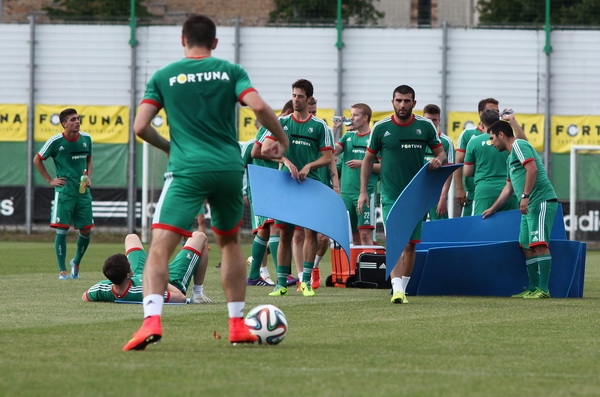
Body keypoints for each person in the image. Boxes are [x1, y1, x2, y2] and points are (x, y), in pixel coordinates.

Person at [123, 14, 288, 350]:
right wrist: (281, 140)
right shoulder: (231, 72)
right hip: (229, 168)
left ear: (183, 40)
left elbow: (140, 127)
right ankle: (238, 325)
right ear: (215, 43)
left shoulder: (164, 76)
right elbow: (259, 106)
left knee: (159, 247)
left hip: (187, 169)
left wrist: (171, 147)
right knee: (229, 244)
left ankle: (151, 321)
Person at [358, 85, 446, 304]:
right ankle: (396, 289)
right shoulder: (381, 128)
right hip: (389, 194)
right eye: (398, 101)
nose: (402, 105)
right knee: (396, 239)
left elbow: (441, 152)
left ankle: (403, 287)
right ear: (392, 102)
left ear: (414, 103)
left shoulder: (425, 126)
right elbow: (368, 159)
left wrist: (438, 160)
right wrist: (363, 192)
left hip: (416, 194)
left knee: (411, 244)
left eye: (407, 101)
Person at [261, 78, 334, 297]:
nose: (295, 99)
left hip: (311, 185)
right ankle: (281, 283)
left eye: (300, 96)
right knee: (285, 233)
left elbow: (328, 156)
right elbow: (265, 149)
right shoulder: (282, 122)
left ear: (309, 98)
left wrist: (309, 165)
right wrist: (285, 161)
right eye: (293, 95)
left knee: (310, 232)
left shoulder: (320, 126)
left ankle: (306, 282)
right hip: (286, 185)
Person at [483, 120, 558, 298]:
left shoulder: (518, 144)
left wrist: (525, 196)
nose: (492, 143)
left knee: (539, 244)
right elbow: (508, 188)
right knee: (526, 246)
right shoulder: (510, 158)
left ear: (501, 135)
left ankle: (544, 289)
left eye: (492, 138)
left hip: (540, 201)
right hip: (528, 205)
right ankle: (532, 289)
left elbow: (532, 168)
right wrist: (493, 208)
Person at [33, 108, 93, 280]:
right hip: (65, 192)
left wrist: (88, 177)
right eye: (73, 119)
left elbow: (89, 159)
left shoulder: (86, 138)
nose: (77, 121)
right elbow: (37, 159)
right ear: (64, 123)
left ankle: (77, 262)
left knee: (86, 230)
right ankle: (62, 271)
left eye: (78, 118)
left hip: (82, 192)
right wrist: (50, 180)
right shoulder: (56, 141)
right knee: (62, 230)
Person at [83, 232, 212, 304]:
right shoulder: (143, 290)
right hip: (168, 281)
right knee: (200, 237)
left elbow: (85, 296)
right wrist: (160, 280)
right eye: (129, 265)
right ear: (128, 274)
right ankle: (198, 293)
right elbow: (180, 298)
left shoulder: (103, 287)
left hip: (142, 273)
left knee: (131, 237)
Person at [454, 98, 525, 217]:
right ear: (480, 113)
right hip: (505, 190)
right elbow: (523, 144)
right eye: (491, 111)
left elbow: (467, 171)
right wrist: (459, 188)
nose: (496, 113)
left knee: (480, 228)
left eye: (497, 110)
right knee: (507, 229)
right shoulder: (506, 138)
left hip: (485, 190)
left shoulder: (477, 141)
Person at [335, 103, 380, 245]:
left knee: (365, 234)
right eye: (351, 115)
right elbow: (331, 151)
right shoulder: (348, 136)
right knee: (353, 234)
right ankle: (357, 267)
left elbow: (384, 167)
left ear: (365, 117)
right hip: (346, 193)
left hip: (365, 193)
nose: (351, 118)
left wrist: (362, 164)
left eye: (355, 115)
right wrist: (335, 129)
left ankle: (367, 266)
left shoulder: (374, 138)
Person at [307, 97, 339, 290]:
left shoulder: (322, 128)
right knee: (301, 235)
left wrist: (335, 184)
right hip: (304, 186)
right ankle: (303, 275)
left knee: (323, 237)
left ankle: (314, 268)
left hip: (323, 187)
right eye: (311, 111)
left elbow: (331, 157)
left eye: (315, 111)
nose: (313, 114)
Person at [422, 104, 455, 221]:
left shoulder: (446, 142)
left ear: (439, 120)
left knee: (440, 229)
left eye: (434, 120)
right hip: (418, 192)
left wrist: (443, 197)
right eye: (428, 120)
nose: (431, 123)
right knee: (416, 231)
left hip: (437, 193)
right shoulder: (417, 140)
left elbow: (449, 172)